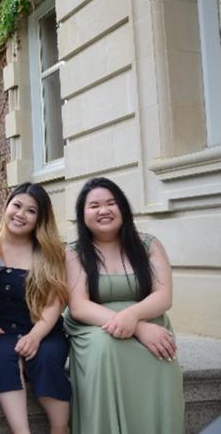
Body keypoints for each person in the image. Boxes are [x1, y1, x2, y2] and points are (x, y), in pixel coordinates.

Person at [64, 177, 184, 434]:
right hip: (95, 326)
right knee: (105, 348)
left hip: (148, 318)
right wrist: (137, 327)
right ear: (83, 215)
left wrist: (134, 316)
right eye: (94, 206)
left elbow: (163, 295)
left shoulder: (148, 245)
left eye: (111, 203)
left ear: (123, 208)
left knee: (162, 357)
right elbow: (79, 306)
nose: (103, 210)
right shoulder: (75, 252)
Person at [0, 182, 70, 434]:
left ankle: (60, 428)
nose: (21, 214)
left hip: (43, 328)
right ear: (7, 206)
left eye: (31, 211)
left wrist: (35, 336)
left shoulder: (50, 253)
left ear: (40, 219)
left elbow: (56, 302)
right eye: (17, 205)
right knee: (3, 357)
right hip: (0, 330)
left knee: (45, 359)